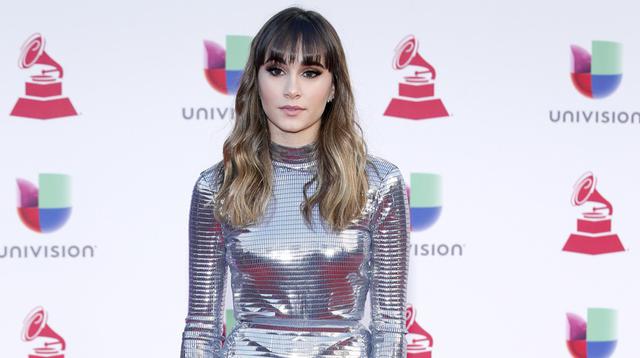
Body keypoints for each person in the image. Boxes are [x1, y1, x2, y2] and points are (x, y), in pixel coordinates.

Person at [180, 6, 410, 358]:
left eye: (310, 72)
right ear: (256, 82)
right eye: (276, 70)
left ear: (334, 86)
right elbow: (201, 329)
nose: (292, 89)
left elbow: (390, 327)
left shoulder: (377, 184)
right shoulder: (218, 187)